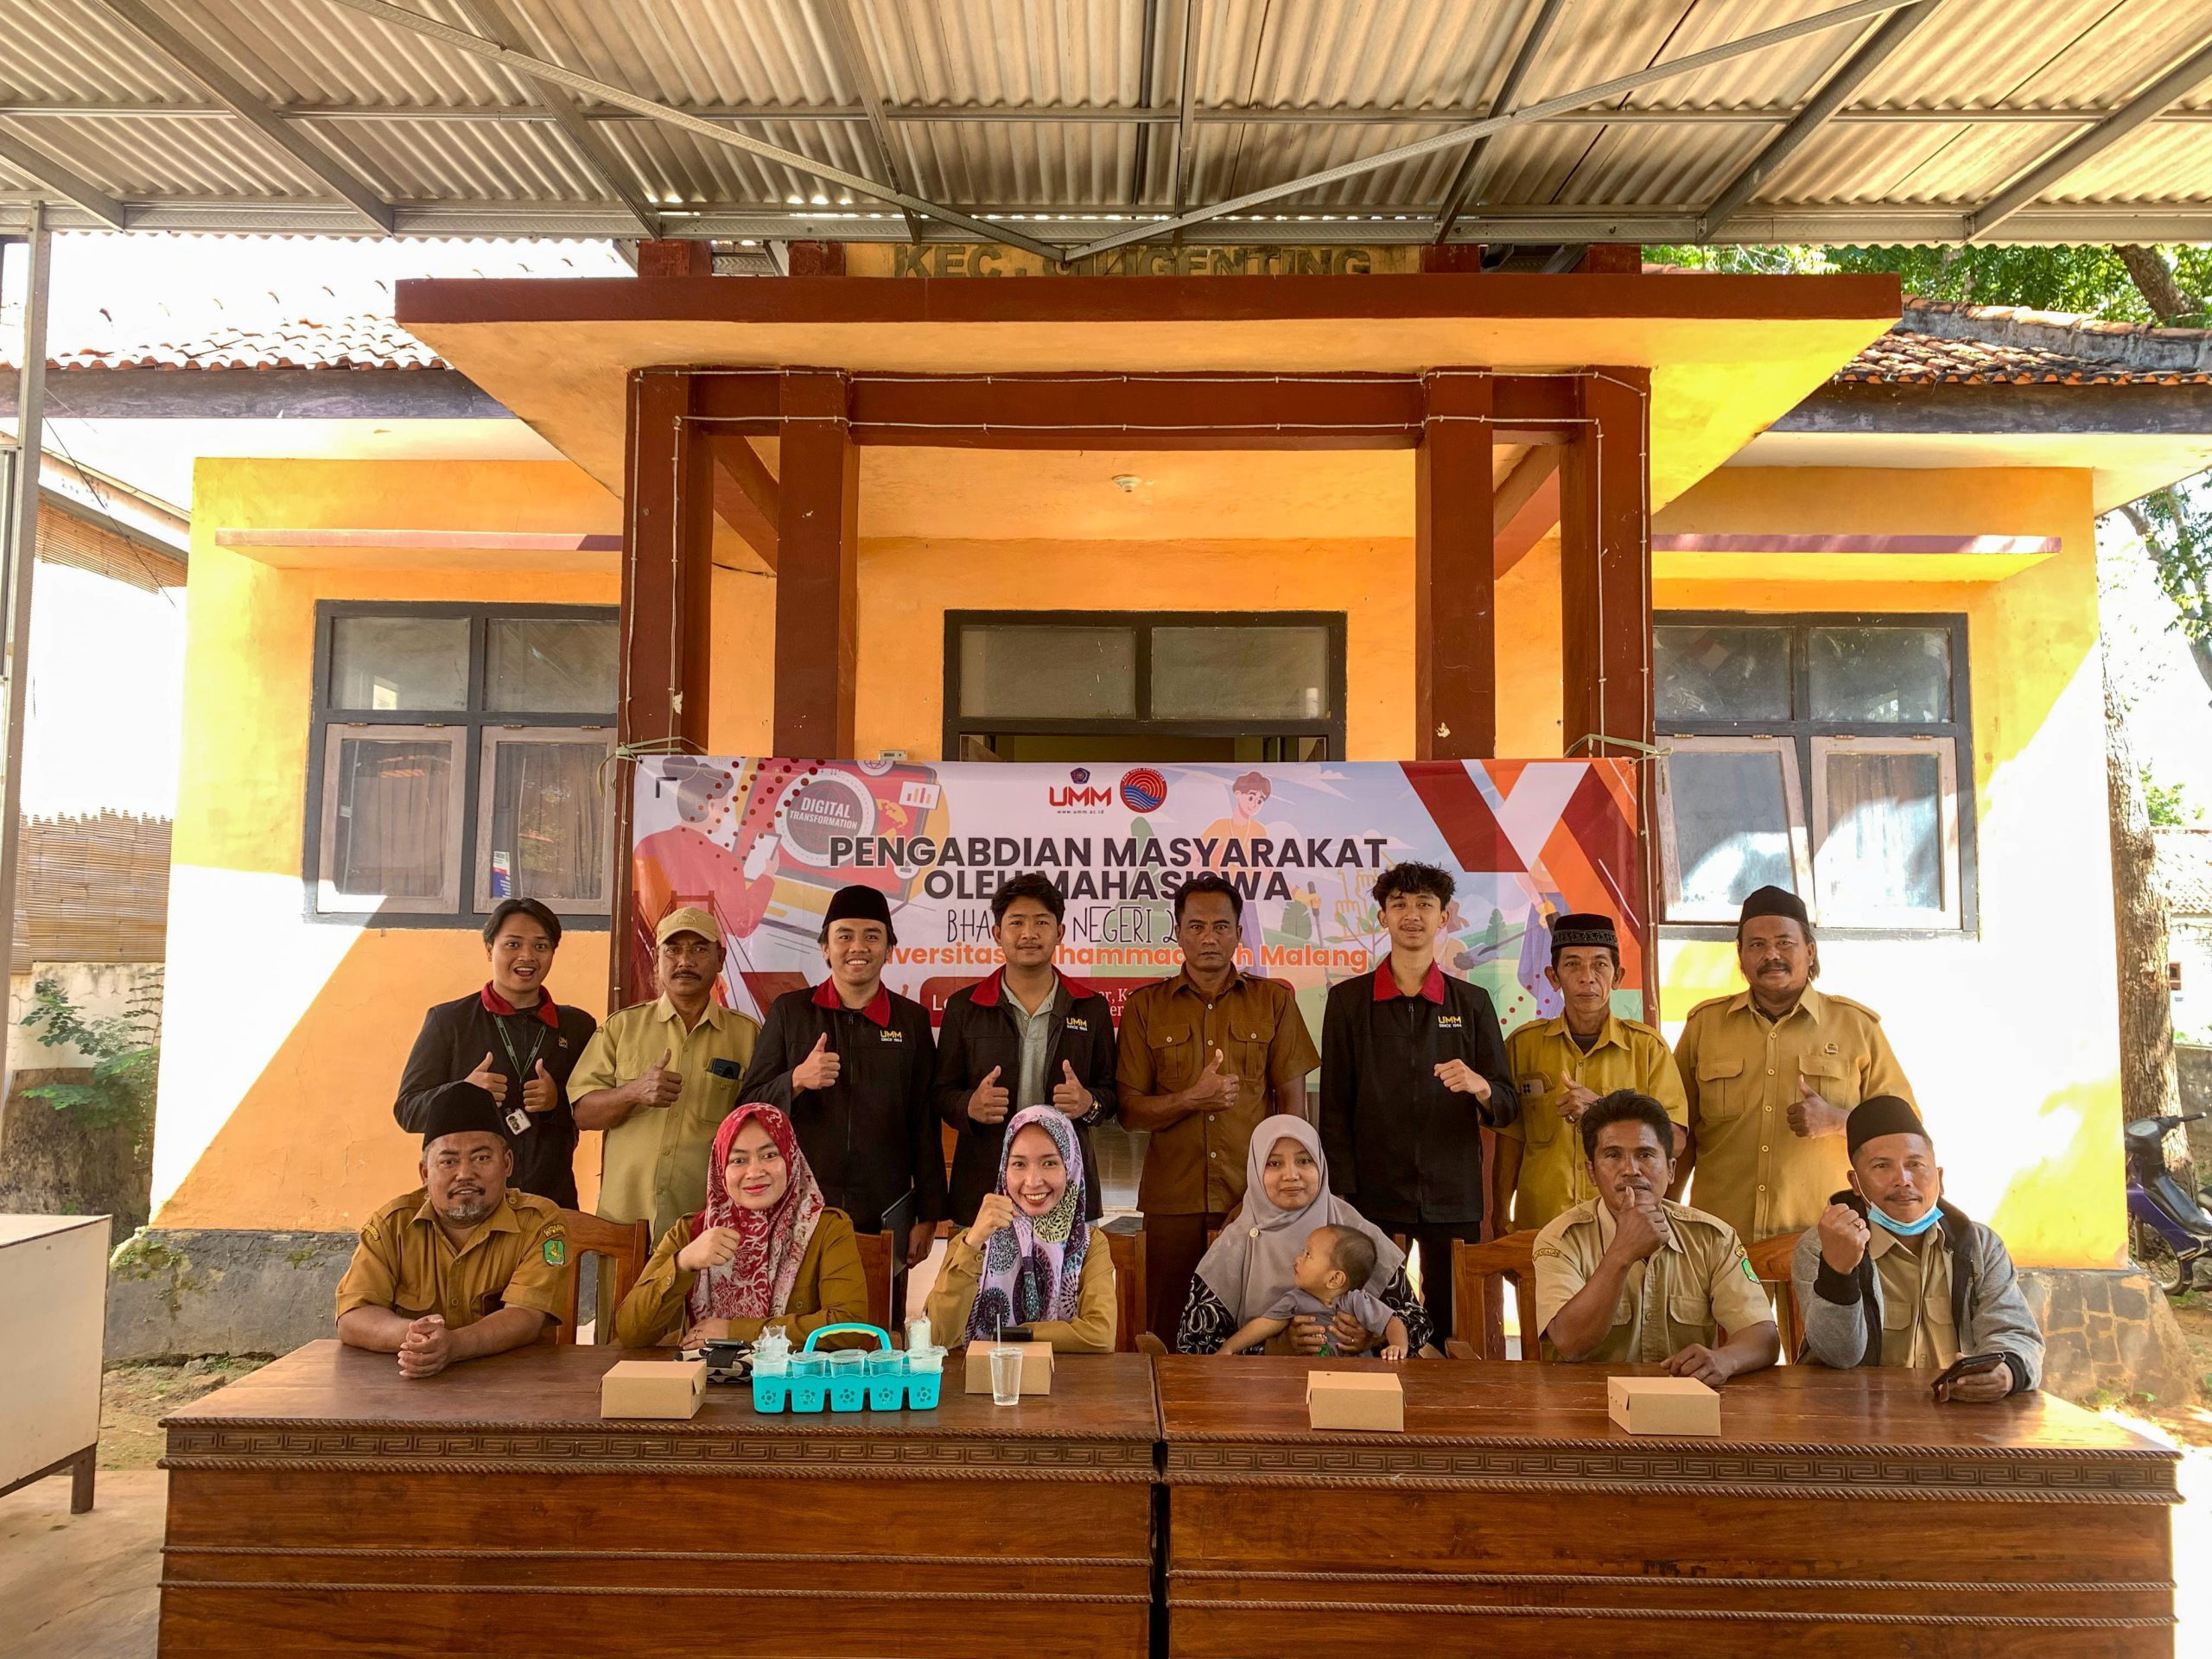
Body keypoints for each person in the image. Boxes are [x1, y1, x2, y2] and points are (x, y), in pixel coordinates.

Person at [1117, 874, 1321, 1340]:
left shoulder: (1274, 1002)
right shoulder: (1145, 1007)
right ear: (1178, 932)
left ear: (1238, 933)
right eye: (1196, 926)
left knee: (1257, 1328)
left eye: (1221, 926)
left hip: (1254, 1199)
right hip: (1173, 1201)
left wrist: (1271, 1193)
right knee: (1167, 1328)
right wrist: (1192, 1098)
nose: (1209, 938)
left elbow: (1293, 1115)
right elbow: (1129, 1112)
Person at [1320, 860, 1515, 1346]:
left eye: (1425, 904)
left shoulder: (1472, 1003)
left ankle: (1444, 1395)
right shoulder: (1347, 1002)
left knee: (1449, 1327)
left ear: (1443, 917)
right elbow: (1334, 1108)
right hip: (1372, 1196)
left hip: (1453, 1195)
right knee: (1370, 1324)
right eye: (1400, 904)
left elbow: (1508, 1104)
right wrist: (1342, 1193)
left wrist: (1481, 1087)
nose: (1412, 915)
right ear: (1382, 917)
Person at [1674, 886, 1914, 1247]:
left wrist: (1837, 1120)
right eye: (1757, 944)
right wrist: (1665, 1214)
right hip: (1719, 1238)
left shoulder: (1856, 1027)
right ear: (1740, 955)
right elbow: (1676, 1133)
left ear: (1810, 951)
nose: (1771, 955)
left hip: (1826, 1239)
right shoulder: (1704, 1026)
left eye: (1785, 943)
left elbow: (1905, 1134)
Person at [739, 884, 944, 1270]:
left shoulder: (911, 1021)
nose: (858, 947)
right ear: (825, 947)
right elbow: (747, 1107)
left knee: (880, 1309)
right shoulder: (790, 1012)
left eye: (872, 936)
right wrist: (795, 1080)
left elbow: (924, 1120)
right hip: (798, 1207)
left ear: (890, 949)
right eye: (845, 936)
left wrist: (928, 1213)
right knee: (797, 1309)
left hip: (884, 1212)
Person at [1791, 1096, 2043, 1399]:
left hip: (1959, 1413)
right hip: (1859, 1417)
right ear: (1856, 1183)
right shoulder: (1822, 1246)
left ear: (1939, 1178)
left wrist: (2007, 1372)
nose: (1903, 1180)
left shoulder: (1979, 1245)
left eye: (1915, 1164)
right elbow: (1839, 1355)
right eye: (1882, 1166)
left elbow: (2015, 1333)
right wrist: (1838, 1271)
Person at [1533, 1090, 1778, 1386]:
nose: (1631, 1170)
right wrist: (1622, 1252)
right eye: (1612, 1155)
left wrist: (1725, 1359)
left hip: (1685, 1402)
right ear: (1592, 1173)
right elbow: (1570, 1343)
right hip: (1587, 1402)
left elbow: (1763, 1336)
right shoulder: (1560, 1239)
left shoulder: (1713, 1238)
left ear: (1672, 1169)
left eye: (1645, 1155)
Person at [335, 1085, 569, 1376]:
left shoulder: (541, 1223)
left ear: (507, 1164)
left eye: (481, 1158)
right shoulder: (391, 1225)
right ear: (425, 1173)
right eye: (448, 1162)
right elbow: (354, 1315)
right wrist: (415, 1336)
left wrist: (455, 1345)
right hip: (411, 1385)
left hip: (515, 1385)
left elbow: (527, 1315)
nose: (465, 1174)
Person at [933, 873, 1117, 1230]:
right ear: (997, 933)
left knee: (1072, 1270)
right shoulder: (964, 1008)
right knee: (978, 1269)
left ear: (1059, 932)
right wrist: (969, 1105)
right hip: (984, 1191)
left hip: (1067, 1189)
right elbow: (940, 1093)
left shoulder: (1090, 1007)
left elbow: (1110, 1094)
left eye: (1041, 923)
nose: (1029, 934)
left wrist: (1088, 1103)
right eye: (1016, 922)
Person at [612, 1103, 868, 1350]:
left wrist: (735, 1332)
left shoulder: (825, 1229)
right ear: (720, 1168)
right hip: (703, 1376)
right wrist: (683, 1262)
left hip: (791, 1379)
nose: (754, 1172)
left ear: (791, 1159)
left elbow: (848, 1328)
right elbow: (631, 1332)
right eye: (738, 1160)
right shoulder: (691, 1232)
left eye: (769, 1155)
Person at [394, 897, 598, 1209]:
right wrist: (463, 1093)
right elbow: (407, 1111)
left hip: (550, 1201)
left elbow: (594, 1108)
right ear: (489, 949)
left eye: (541, 946)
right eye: (513, 944)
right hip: (467, 1205)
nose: (527, 956)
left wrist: (556, 1101)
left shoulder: (577, 1026)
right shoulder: (448, 1021)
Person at [570, 906, 760, 1238]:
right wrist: (632, 1092)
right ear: (657, 961)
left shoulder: (748, 1036)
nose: (685, 961)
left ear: (720, 959)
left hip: (706, 1225)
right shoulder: (622, 1028)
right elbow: (583, 1115)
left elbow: (761, 1126)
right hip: (624, 1222)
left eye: (699, 949)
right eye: (673, 950)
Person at [1176, 1116, 1433, 1357]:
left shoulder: (1353, 1231)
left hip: (1349, 1384)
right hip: (1258, 1385)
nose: (1291, 1175)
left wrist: (1371, 1340)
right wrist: (1275, 1349)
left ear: (1321, 1164)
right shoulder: (1234, 1244)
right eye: (1274, 1163)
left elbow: (1416, 1324)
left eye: (1304, 1161)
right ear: (1255, 1170)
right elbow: (1195, 1347)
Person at [1496, 912, 1686, 1233]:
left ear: (1617, 976)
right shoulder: (1523, 1045)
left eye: (1600, 964)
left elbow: (1676, 1141)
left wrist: (1601, 1110)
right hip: (1543, 1225)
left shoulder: (1647, 1048)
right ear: (1553, 977)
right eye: (1572, 964)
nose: (1587, 977)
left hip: (1625, 1224)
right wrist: (1500, 1214)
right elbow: (1510, 1140)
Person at [926, 1106, 1116, 1353]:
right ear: (1004, 1169)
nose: (1033, 1181)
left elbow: (1100, 1335)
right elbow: (937, 1337)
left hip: (1064, 1377)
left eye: (1049, 1163)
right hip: (984, 1375)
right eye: (1019, 1164)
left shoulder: (1089, 1243)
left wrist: (1014, 1335)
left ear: (1070, 1168)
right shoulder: (973, 1241)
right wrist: (972, 1244)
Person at [1217, 1225, 1410, 1359]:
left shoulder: (1356, 1302)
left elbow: (1392, 1322)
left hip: (1355, 1378)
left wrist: (1398, 1346)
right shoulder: (1295, 1300)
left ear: (1335, 1279)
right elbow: (1264, 1324)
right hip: (1307, 1376)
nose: (1298, 1259)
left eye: (1308, 1255)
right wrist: (1229, 1348)